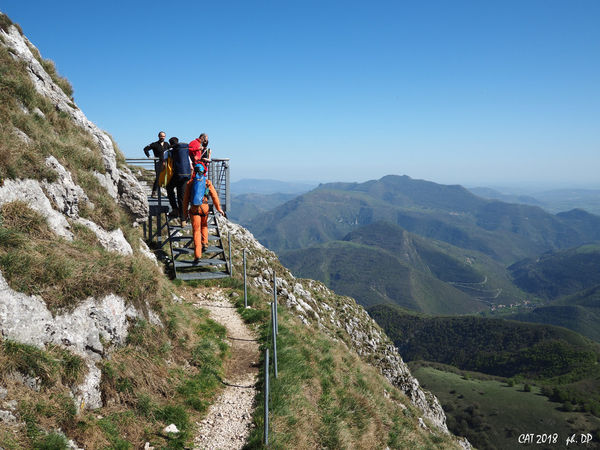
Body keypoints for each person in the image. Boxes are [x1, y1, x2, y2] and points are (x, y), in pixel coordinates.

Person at [182, 163, 225, 262]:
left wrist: (185, 215)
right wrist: (219, 209)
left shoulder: (190, 183)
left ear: (195, 172)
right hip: (205, 207)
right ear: (203, 172)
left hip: (194, 209)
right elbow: (214, 196)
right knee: (204, 226)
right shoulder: (207, 182)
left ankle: (197, 255)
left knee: (196, 231)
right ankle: (205, 243)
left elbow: (185, 201)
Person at [165, 137, 192, 222]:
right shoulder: (184, 151)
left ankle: (175, 208)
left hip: (176, 175)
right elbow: (191, 165)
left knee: (169, 188)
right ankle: (183, 219)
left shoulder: (169, 152)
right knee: (181, 197)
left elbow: (164, 163)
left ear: (170, 144)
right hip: (186, 176)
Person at [143, 131, 170, 197]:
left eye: (163, 136)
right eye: (161, 136)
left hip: (166, 163)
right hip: (158, 163)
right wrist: (149, 157)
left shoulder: (167, 144)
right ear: (158, 136)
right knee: (158, 177)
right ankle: (154, 192)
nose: (162, 137)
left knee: (168, 177)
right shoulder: (154, 144)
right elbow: (145, 149)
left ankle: (169, 193)